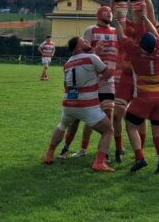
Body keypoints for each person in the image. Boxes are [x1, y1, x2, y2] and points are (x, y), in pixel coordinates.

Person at [42, 37, 115, 172]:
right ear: (78, 47)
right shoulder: (92, 58)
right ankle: (99, 162)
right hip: (87, 105)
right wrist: (115, 62)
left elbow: (67, 84)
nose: (87, 41)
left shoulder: (68, 63)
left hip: (68, 104)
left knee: (62, 126)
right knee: (108, 130)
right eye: (84, 41)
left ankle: (49, 154)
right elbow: (108, 73)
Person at [59, 6, 119, 160]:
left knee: (107, 115)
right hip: (89, 78)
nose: (109, 13)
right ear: (98, 15)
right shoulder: (91, 30)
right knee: (77, 118)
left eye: (111, 12)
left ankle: (104, 154)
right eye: (106, 11)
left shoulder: (115, 31)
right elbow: (82, 54)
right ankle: (70, 148)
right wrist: (95, 53)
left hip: (108, 79)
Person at [117, 6, 159, 173]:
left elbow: (121, 37)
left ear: (140, 44)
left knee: (131, 125)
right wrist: (146, 19)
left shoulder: (135, 52)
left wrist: (118, 21)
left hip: (144, 98)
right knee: (158, 129)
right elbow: (156, 34)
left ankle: (140, 157)